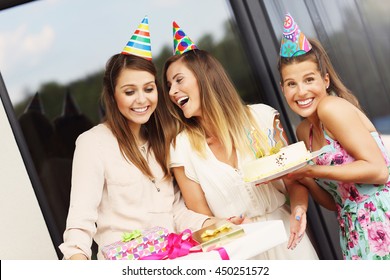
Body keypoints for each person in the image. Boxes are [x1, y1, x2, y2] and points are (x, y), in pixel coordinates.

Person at [160, 21, 319, 259]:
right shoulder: (181, 148)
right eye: (169, 85)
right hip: (238, 251)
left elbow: (294, 180)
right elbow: (202, 218)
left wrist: (298, 210)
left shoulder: (264, 118)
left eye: (179, 80)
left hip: (287, 241)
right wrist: (218, 226)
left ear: (205, 77)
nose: (172, 92)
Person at [59, 17, 214, 260]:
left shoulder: (162, 140)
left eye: (149, 89)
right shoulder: (93, 143)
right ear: (112, 95)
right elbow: (80, 224)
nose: (142, 100)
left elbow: (174, 211)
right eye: (130, 91)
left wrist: (210, 224)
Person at [278, 13, 390, 260]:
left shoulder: (331, 108)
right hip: (353, 231)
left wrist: (311, 171)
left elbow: (379, 171)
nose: (301, 91)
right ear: (282, 89)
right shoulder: (302, 132)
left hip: (383, 219)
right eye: (291, 83)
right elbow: (336, 201)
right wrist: (300, 176)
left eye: (309, 79)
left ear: (325, 80)